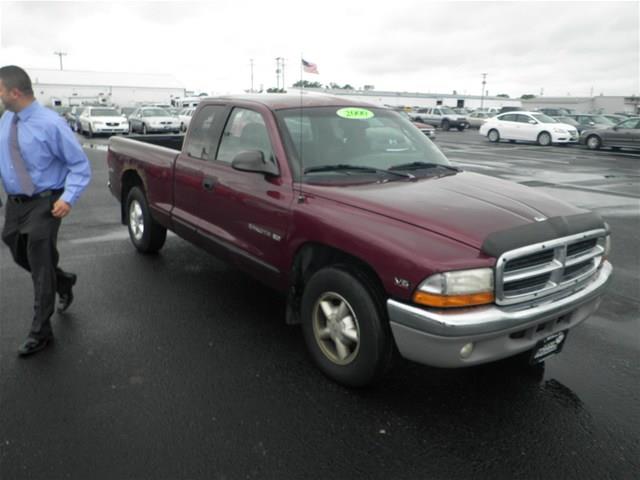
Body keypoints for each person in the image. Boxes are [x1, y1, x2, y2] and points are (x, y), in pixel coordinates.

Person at [0, 65, 91, 356]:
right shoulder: (6, 119)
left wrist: (69, 197)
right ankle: (62, 279)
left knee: (40, 266)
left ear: (14, 92)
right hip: (15, 203)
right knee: (16, 249)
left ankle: (41, 332)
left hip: (45, 203)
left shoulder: (51, 124)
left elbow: (79, 165)